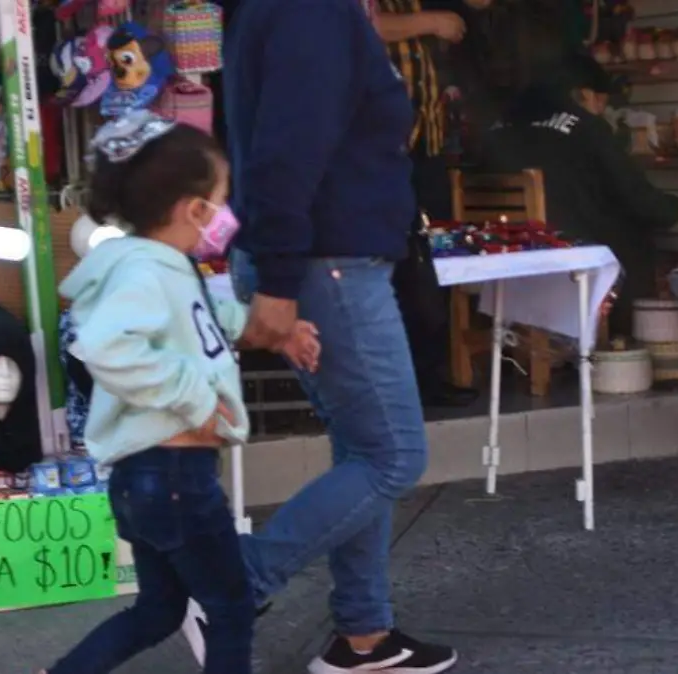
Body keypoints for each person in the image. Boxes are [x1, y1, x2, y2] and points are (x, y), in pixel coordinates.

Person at [195, 0, 459, 672]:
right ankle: (235, 584)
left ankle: (364, 637)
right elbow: (287, 153)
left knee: (362, 449)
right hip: (323, 262)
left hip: (323, 257)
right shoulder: (309, 10)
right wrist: (280, 282)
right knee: (394, 455)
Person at [45, 112, 320, 674]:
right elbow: (105, 346)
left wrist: (276, 332)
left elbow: (204, 318)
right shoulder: (146, 272)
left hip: (150, 481)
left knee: (159, 610)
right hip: (173, 478)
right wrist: (195, 397)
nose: (226, 213)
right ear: (195, 209)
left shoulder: (164, 267)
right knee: (232, 607)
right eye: (221, 198)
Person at [481, 51, 678, 336]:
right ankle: (620, 341)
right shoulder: (585, 126)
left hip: (494, 251)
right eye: (600, 98)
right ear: (581, 93)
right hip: (561, 249)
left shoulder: (497, 125)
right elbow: (634, 193)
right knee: (633, 237)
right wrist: (672, 209)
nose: (601, 108)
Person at [376, 0, 489, 406]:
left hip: (427, 148)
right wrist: (430, 22)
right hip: (380, 152)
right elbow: (363, 27)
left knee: (432, 263)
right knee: (391, 265)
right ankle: (395, 384)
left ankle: (428, 375)